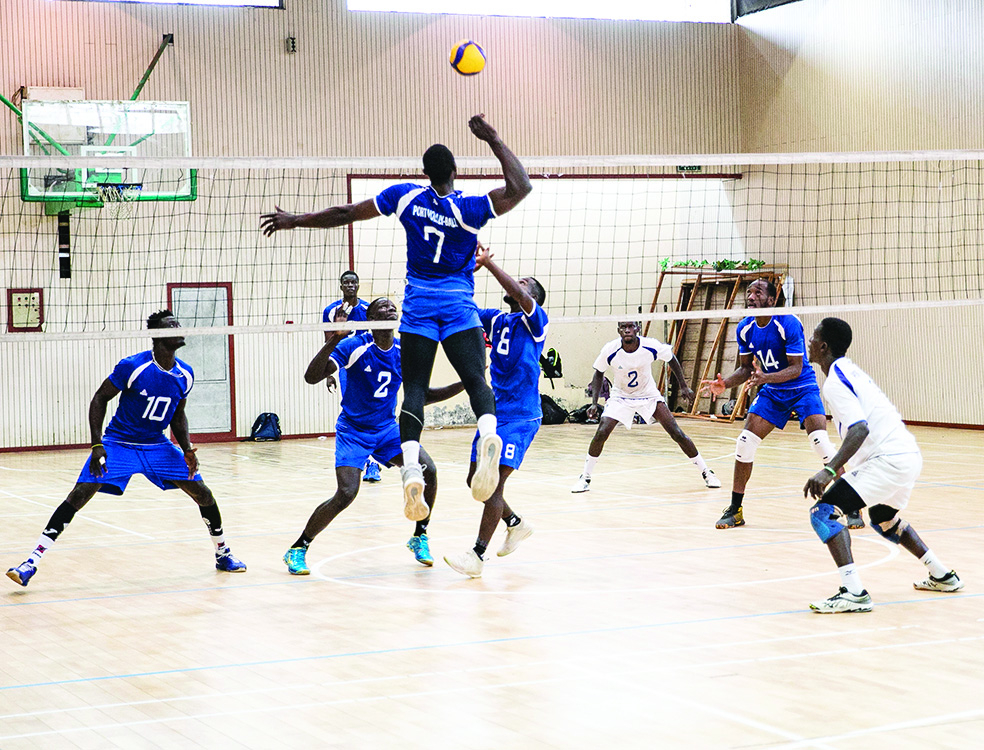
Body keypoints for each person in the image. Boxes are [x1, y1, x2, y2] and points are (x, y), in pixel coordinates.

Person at [261, 114, 532, 515]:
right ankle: (488, 433)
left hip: (419, 306)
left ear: (424, 173)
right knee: (477, 378)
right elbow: (521, 187)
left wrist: (295, 220)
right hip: (458, 304)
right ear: (455, 171)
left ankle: (409, 470)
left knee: (416, 389)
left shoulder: (405, 196)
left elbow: (346, 212)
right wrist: (492, 137)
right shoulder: (471, 208)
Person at [6, 310, 246, 588]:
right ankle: (31, 562)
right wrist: (97, 444)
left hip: (157, 445)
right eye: (171, 325)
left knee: (203, 494)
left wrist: (187, 449)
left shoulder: (185, 374)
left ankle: (222, 554)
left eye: (178, 323)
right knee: (80, 494)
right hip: (119, 443)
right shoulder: (133, 366)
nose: (179, 328)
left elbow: (178, 415)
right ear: (157, 334)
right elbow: (99, 398)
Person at [283, 297, 464, 575]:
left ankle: (420, 536)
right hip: (353, 431)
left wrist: (466, 383)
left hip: (387, 429)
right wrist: (333, 339)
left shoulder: (405, 350)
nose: (390, 309)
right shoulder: (354, 345)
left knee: (429, 470)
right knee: (346, 493)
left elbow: (422, 395)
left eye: (393, 307)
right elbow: (311, 377)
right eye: (382, 307)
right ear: (370, 317)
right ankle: (298, 547)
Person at [802, 317, 962, 613]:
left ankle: (853, 592)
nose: (809, 341)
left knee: (822, 513)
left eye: (813, 337)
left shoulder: (836, 381)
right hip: (907, 456)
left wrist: (827, 471)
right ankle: (942, 575)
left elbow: (859, 429)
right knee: (883, 517)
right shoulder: (849, 371)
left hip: (888, 461)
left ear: (823, 346)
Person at [700, 279, 855, 530]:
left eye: (757, 292)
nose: (751, 296)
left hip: (802, 387)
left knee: (821, 444)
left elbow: (795, 369)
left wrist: (765, 378)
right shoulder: (744, 328)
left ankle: (851, 505)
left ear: (771, 300)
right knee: (744, 443)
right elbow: (745, 368)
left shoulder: (788, 322)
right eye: (749, 292)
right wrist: (725, 384)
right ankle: (735, 509)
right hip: (773, 390)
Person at [444, 244, 546, 578]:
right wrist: (459, 272)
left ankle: (476, 555)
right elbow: (464, 307)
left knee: (494, 486)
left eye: (526, 282)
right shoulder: (497, 318)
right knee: (476, 481)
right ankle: (515, 523)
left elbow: (515, 290)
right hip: (495, 411)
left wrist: (488, 262)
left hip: (521, 416)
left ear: (533, 296)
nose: (519, 282)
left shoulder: (537, 321)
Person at [571, 322, 721, 493]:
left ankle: (706, 472)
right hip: (621, 396)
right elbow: (598, 373)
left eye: (631, 326)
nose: (627, 330)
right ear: (618, 330)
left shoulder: (650, 346)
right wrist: (593, 403)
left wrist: (683, 386)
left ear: (638, 329)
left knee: (676, 432)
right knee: (602, 431)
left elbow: (671, 358)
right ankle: (585, 477)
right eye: (623, 327)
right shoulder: (610, 349)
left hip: (649, 395)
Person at [323, 269, 380, 483]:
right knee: (353, 411)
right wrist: (329, 373)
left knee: (374, 410)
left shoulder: (367, 310)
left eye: (353, 282)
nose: (349, 286)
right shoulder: (331, 311)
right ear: (341, 286)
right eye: (345, 282)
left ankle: (372, 463)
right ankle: (360, 460)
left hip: (370, 366)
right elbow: (328, 342)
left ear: (358, 285)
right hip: (347, 368)